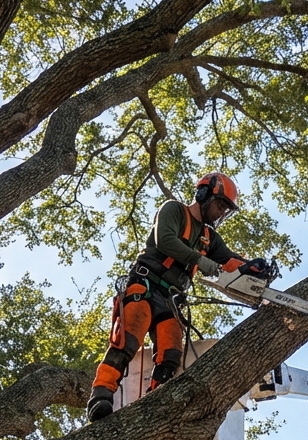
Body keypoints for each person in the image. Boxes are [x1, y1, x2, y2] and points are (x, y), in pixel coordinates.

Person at [87, 172, 267, 421]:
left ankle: (151, 406)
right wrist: (199, 260)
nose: (220, 213)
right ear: (203, 195)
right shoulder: (173, 210)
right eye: (219, 205)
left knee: (170, 356)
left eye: (226, 209)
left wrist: (252, 268)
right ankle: (101, 396)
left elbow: (228, 260)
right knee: (127, 342)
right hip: (145, 285)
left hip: (170, 299)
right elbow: (165, 240)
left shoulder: (209, 237)